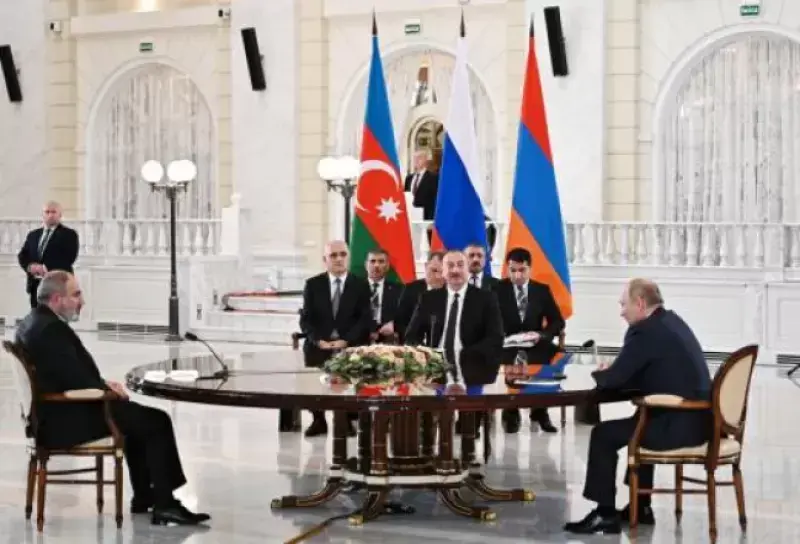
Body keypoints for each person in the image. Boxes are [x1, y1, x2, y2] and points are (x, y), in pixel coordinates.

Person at [15, 271, 210, 526]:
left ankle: (144, 496)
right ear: (56, 299)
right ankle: (165, 504)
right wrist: (106, 391)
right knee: (157, 421)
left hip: (54, 412)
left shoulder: (32, 321)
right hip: (68, 418)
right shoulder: (50, 329)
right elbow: (74, 378)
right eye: (76, 295)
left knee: (138, 420)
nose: (82, 301)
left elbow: (64, 372)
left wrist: (103, 384)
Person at [564, 279, 712, 535]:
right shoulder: (670, 321)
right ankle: (641, 506)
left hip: (676, 427)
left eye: (624, 305)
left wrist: (602, 373)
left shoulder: (644, 330)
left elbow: (615, 379)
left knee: (603, 435)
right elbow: (652, 369)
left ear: (640, 304)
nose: (621, 312)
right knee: (642, 417)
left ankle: (605, 514)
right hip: (699, 423)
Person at [296, 240, 373, 437]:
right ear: (325, 260)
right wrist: (318, 340)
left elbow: (364, 319)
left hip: (349, 344)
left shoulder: (361, 285)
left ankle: (345, 419)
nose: (339, 259)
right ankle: (318, 420)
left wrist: (346, 340)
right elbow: (306, 319)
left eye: (343, 254)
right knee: (313, 379)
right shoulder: (313, 285)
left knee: (350, 373)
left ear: (348, 257)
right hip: (320, 344)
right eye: (333, 255)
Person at [404, 249, 504, 387]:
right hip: (435, 369)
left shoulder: (486, 298)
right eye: (450, 266)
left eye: (460, 265)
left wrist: (461, 355)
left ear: (468, 269)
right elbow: (411, 337)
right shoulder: (428, 298)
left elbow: (495, 338)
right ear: (443, 271)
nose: (455, 270)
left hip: (473, 367)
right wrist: (428, 356)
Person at [495, 248, 564, 433]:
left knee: (548, 355)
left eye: (522, 270)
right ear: (507, 269)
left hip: (535, 343)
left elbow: (557, 321)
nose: (517, 275)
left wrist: (543, 335)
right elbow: (485, 319)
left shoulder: (541, 290)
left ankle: (540, 410)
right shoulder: (497, 289)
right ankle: (511, 410)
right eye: (513, 270)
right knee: (509, 358)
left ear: (529, 269)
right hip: (507, 344)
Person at [17, 201, 79, 309]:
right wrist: (30, 266)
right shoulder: (33, 235)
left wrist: (44, 268)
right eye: (47, 212)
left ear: (60, 215)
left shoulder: (69, 234)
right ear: (42, 214)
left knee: (56, 318)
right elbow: (23, 255)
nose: (50, 215)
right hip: (35, 286)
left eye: (54, 212)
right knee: (36, 317)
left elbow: (69, 257)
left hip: (58, 287)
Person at [392, 251, 444, 341]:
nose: (438, 276)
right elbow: (401, 321)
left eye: (443, 272)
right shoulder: (411, 289)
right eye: (434, 270)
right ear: (426, 266)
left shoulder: (452, 292)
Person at [363, 248, 404, 343]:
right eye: (372, 261)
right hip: (360, 339)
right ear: (366, 265)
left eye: (381, 261)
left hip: (389, 340)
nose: (376, 265)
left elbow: (406, 316)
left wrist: (394, 325)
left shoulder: (400, 290)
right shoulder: (354, 288)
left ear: (388, 266)